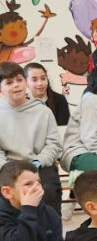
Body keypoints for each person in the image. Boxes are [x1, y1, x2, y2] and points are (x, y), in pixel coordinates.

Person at [0, 61, 64, 214]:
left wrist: (37, 162)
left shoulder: (43, 112)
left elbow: (54, 145)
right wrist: (10, 169)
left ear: (25, 82)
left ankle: (50, 228)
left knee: (48, 189)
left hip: (39, 165)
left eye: (19, 80)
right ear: (1, 89)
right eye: (9, 82)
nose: (16, 85)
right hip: (8, 168)